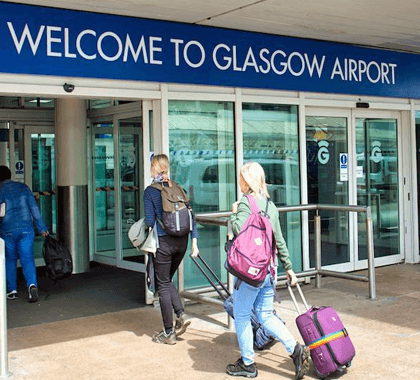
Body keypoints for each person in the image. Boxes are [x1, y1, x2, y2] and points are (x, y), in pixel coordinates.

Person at [226, 162, 310, 380]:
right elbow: (279, 240)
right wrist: (289, 267)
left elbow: (238, 230)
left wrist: (234, 213)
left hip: (250, 273)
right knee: (265, 315)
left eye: (242, 178)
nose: (239, 182)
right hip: (268, 271)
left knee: (242, 315)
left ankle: (248, 364)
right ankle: (295, 349)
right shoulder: (270, 206)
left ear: (249, 180)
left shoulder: (246, 203)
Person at [144, 154, 199, 344]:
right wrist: (194, 242)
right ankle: (180, 313)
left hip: (164, 243)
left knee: (163, 284)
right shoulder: (178, 188)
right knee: (166, 279)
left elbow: (150, 221)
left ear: (154, 168)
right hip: (182, 242)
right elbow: (192, 216)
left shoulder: (150, 191)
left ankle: (168, 333)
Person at [0, 165, 49, 303]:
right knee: (27, 258)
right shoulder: (23, 188)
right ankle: (32, 285)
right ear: (10, 175)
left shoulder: (0, 190)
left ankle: (12, 291)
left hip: (7, 230)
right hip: (26, 229)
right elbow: (34, 208)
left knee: (10, 259)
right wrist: (42, 228)